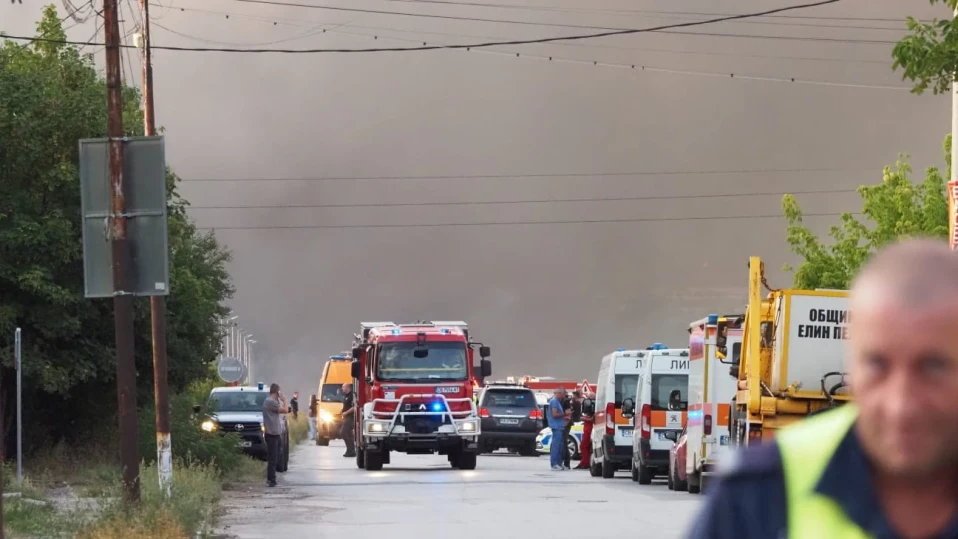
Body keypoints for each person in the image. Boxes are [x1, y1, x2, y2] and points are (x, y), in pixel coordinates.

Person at [687, 238, 958, 539]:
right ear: (851, 363)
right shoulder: (759, 496)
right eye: (877, 365)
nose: (901, 404)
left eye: (933, 367)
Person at [262, 383, 289, 487]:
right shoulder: (270, 401)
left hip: (275, 432)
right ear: (276, 391)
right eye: (279, 391)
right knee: (273, 458)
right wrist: (285, 400)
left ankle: (271, 478)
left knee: (276, 456)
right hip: (272, 433)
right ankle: (271, 479)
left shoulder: (272, 402)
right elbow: (285, 410)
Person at [547, 387, 570, 471]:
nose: (564, 396)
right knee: (556, 446)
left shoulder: (557, 402)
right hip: (556, 426)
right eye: (563, 394)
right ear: (559, 393)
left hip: (560, 426)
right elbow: (555, 414)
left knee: (560, 446)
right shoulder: (554, 402)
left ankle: (559, 463)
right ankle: (554, 463)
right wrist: (565, 414)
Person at [576, 381, 595, 470]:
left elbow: (592, 419)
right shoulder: (591, 408)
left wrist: (584, 419)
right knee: (584, 446)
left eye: (588, 398)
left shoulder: (594, 407)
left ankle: (585, 462)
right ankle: (584, 461)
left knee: (583, 446)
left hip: (589, 430)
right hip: (587, 429)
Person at [562, 390, 583, 470]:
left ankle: (566, 463)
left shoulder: (573, 403)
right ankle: (565, 463)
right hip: (573, 422)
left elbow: (569, 414)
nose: (572, 397)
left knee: (564, 443)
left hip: (573, 422)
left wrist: (565, 423)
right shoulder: (573, 402)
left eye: (573, 395)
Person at [340, 383, 356, 458]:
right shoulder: (346, 396)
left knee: (343, 432)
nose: (342, 389)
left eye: (343, 387)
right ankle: (351, 450)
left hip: (350, 417)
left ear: (347, 388)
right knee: (349, 434)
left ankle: (350, 450)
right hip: (346, 417)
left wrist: (346, 413)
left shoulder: (351, 396)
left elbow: (354, 407)